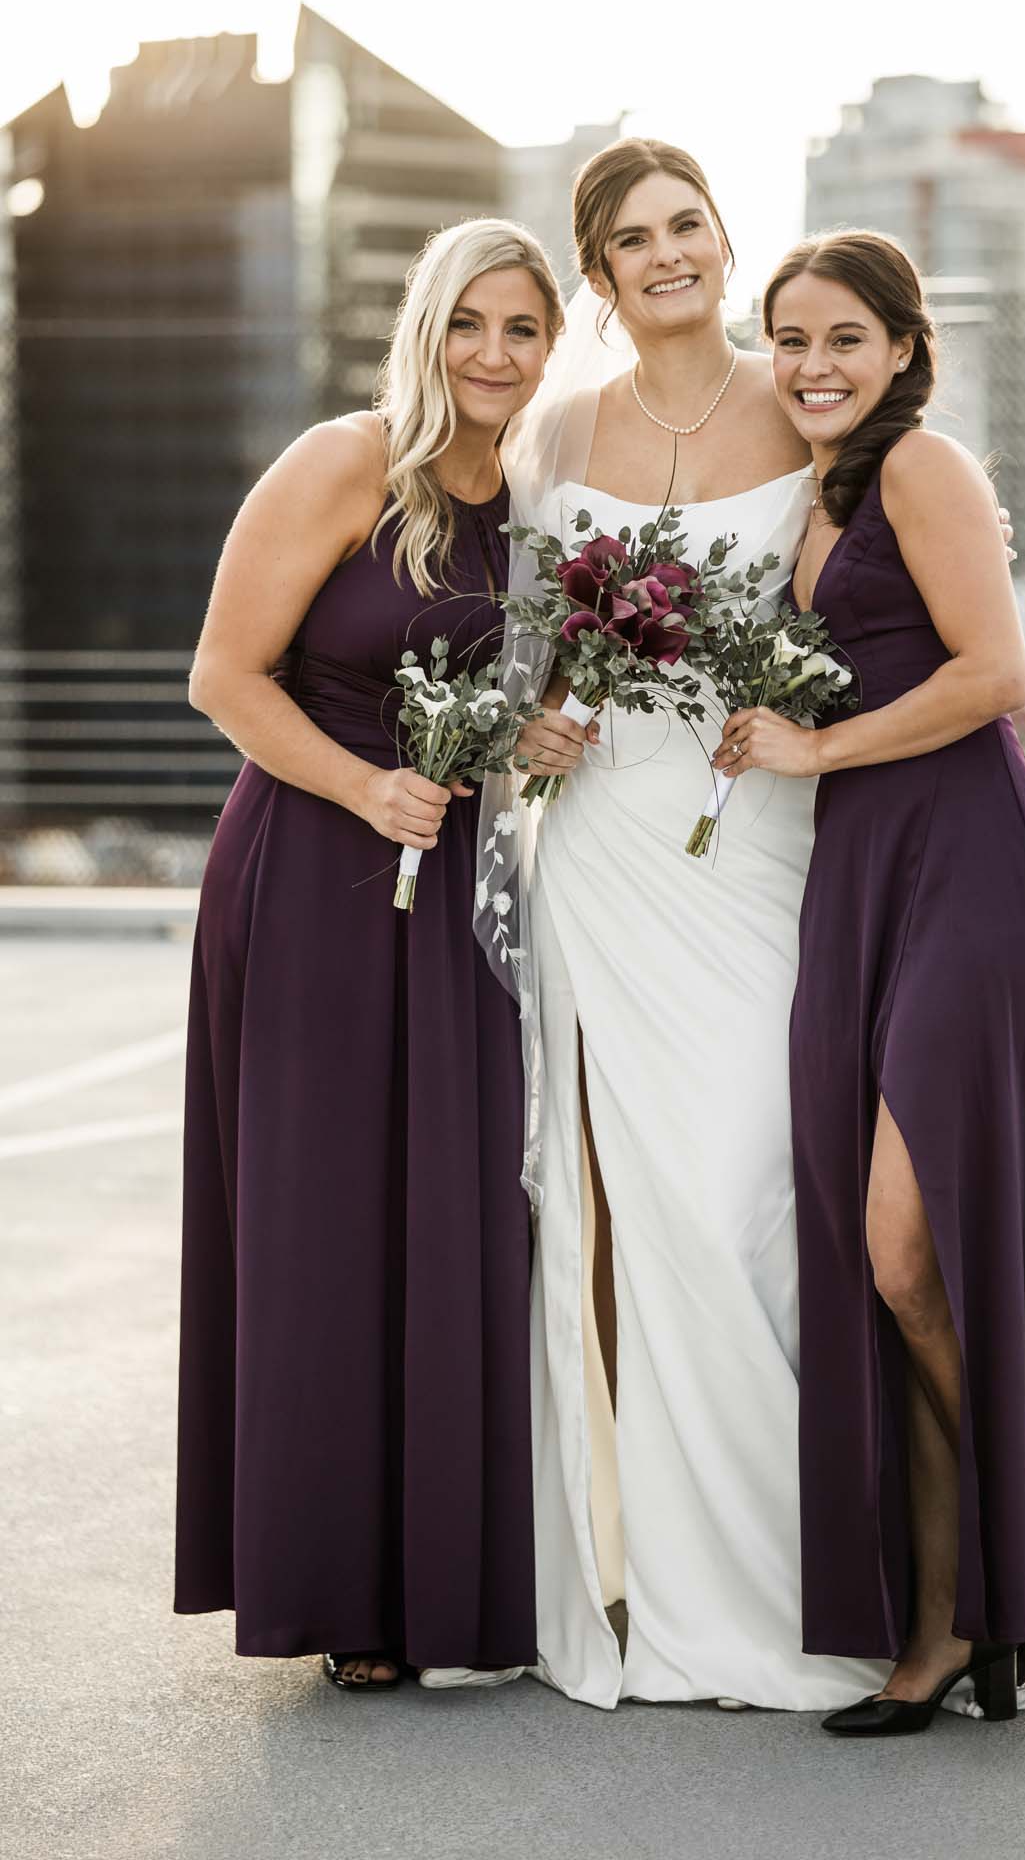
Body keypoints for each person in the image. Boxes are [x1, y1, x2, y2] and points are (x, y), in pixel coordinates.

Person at [497, 140, 1014, 1710]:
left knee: (748, 1200)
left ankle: (832, 1564)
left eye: (688, 225)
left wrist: (791, 732)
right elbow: (536, 660)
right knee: (621, 1214)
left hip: (764, 844)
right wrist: (536, 726)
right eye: (633, 240)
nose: (668, 255)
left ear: (725, 239)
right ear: (597, 276)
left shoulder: (806, 413)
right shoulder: (550, 435)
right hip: (602, 855)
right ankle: (648, 1571)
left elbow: (864, 624)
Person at [720, 229, 1025, 1733]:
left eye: (842, 338)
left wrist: (812, 745)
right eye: (790, 340)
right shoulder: (813, 496)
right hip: (857, 872)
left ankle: (1001, 1577)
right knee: (889, 1265)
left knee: (906, 1248)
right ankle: (962, 1609)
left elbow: (993, 673)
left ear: (900, 348)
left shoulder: (922, 471)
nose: (812, 366)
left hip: (966, 862)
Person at [176, 218, 561, 1690]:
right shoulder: (346, 461)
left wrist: (531, 735)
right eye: (468, 322)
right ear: (423, 327)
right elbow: (224, 673)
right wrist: (358, 785)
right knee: (325, 1226)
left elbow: (496, 697)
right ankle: (343, 1591)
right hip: (313, 873)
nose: (492, 355)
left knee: (453, 1213)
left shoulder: (533, 507)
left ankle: (453, 1575)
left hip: (456, 880)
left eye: (521, 328)